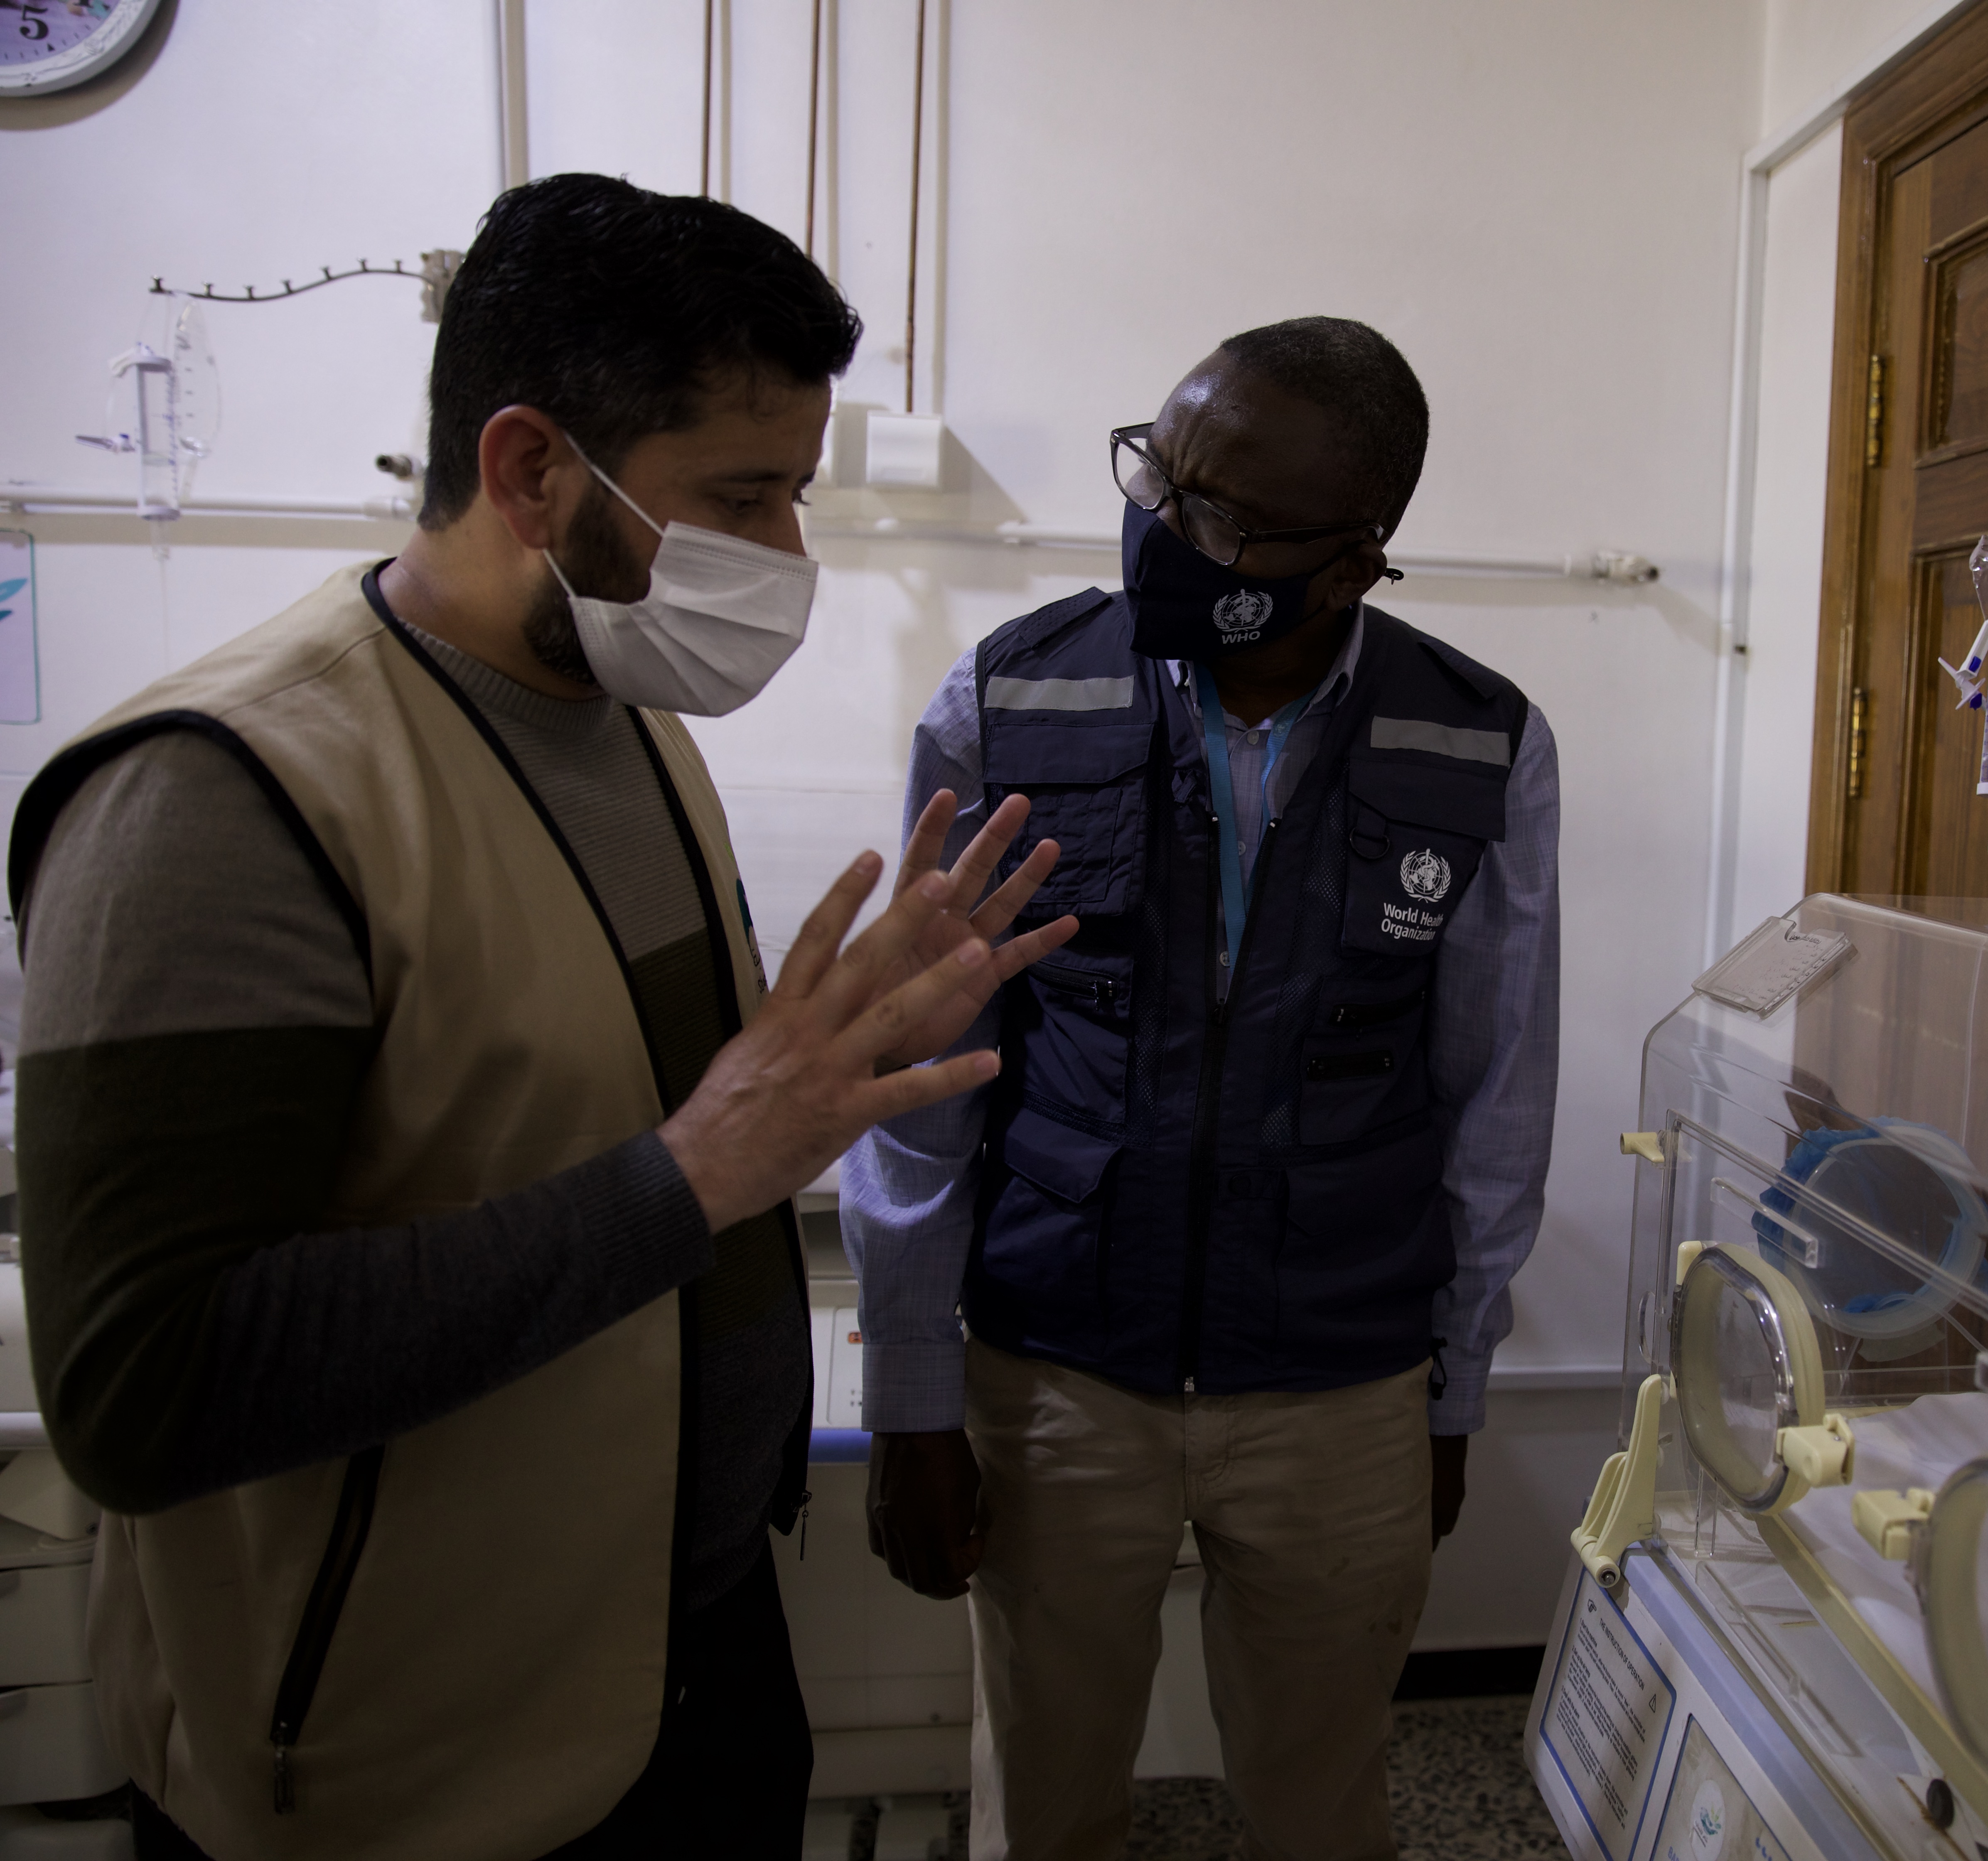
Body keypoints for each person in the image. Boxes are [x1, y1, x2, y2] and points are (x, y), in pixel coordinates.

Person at [7, 174, 1071, 1860]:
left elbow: (630, 1104)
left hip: (686, 1657)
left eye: (794, 494)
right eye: (741, 496)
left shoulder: (632, 723)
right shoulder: (218, 796)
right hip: (398, 1747)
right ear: (528, 469)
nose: (787, 556)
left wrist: (817, 1070)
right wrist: (699, 1173)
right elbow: (146, 1388)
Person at [845, 317, 1561, 1860]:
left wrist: (1447, 1388)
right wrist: (908, 1394)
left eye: (1222, 517)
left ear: (1356, 556)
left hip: (1337, 1388)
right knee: (1043, 1797)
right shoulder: (1007, 705)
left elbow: (1493, 1093)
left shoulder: (1476, 740)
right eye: (1158, 474)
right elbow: (922, 1077)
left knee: (1319, 1798)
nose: (1163, 529)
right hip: (1056, 1377)